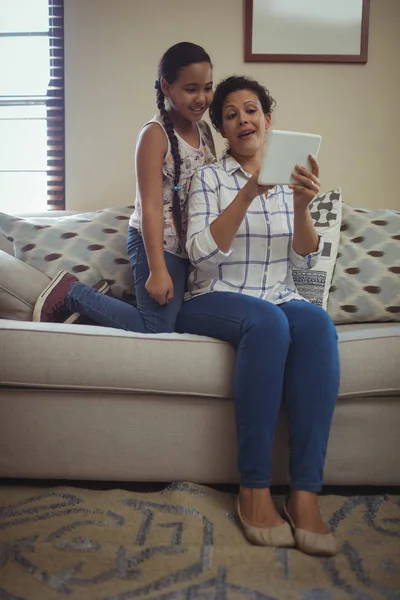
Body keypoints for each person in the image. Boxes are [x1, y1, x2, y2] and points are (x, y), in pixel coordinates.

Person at [175, 76, 340, 556]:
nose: (243, 119)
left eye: (251, 110)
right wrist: (248, 192)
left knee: (313, 323)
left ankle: (305, 495)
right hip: (213, 296)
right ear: (223, 130)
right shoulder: (208, 177)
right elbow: (200, 255)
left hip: (277, 292)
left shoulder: (293, 181)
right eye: (231, 114)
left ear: (268, 120)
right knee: (268, 322)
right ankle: (253, 490)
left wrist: (301, 204)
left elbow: (305, 260)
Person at [33, 42, 215, 332]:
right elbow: (150, 208)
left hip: (187, 248)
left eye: (207, 87)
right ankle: (73, 293)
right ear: (166, 87)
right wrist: (156, 269)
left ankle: (114, 301)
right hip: (155, 243)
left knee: (178, 319)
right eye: (191, 89)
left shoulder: (204, 131)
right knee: (157, 329)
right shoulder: (154, 135)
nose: (201, 98)